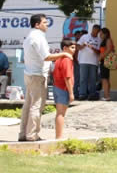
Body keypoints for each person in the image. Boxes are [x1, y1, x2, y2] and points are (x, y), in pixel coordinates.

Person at [18, 14, 73, 142]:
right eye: (45, 22)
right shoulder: (38, 37)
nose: (47, 24)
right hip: (37, 75)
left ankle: (23, 134)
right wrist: (64, 53)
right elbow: (47, 57)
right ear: (37, 24)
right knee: (36, 106)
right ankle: (32, 135)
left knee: (28, 105)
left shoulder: (30, 36)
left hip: (30, 74)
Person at [53, 38, 76, 139]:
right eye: (72, 47)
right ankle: (59, 137)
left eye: (75, 47)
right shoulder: (66, 60)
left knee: (59, 113)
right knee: (61, 113)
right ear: (65, 48)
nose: (74, 50)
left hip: (57, 87)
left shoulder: (58, 59)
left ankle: (58, 136)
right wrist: (71, 93)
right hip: (63, 88)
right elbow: (67, 78)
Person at [77, 24, 101, 100]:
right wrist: (83, 46)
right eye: (94, 30)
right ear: (92, 29)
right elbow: (77, 47)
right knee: (83, 78)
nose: (95, 32)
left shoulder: (99, 40)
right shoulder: (84, 37)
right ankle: (82, 94)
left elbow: (99, 52)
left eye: (97, 31)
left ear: (98, 31)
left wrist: (93, 48)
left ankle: (92, 94)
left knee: (93, 79)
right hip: (83, 61)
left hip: (94, 62)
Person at [98, 28, 115, 101]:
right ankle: (106, 95)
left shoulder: (108, 40)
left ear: (105, 34)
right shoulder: (104, 41)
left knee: (104, 79)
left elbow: (109, 50)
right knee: (105, 78)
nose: (100, 35)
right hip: (104, 60)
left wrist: (101, 57)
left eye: (101, 33)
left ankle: (107, 96)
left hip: (105, 60)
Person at [72, 30, 85, 99]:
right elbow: (74, 54)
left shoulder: (81, 43)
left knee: (81, 79)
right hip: (76, 63)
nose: (79, 36)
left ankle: (80, 93)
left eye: (80, 35)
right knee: (76, 79)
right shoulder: (74, 44)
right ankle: (75, 93)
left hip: (81, 62)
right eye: (77, 35)